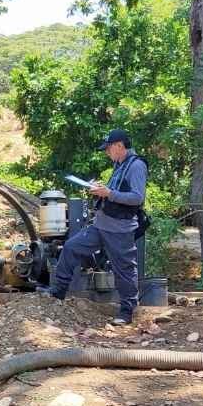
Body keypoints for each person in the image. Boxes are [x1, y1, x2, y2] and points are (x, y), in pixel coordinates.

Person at [51, 128, 148, 326]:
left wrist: (108, 193)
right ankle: (56, 294)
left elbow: (137, 198)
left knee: (125, 270)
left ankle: (127, 311)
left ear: (119, 146)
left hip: (120, 229)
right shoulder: (119, 164)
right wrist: (99, 190)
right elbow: (115, 192)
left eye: (108, 149)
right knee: (71, 248)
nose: (106, 153)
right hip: (100, 226)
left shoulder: (137, 166)